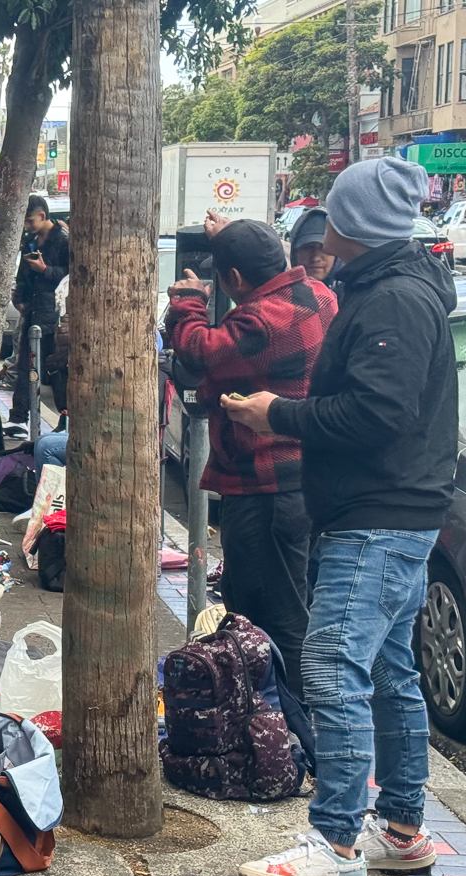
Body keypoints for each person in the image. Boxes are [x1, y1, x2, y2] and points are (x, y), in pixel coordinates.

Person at [228, 158, 456, 876]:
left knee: (333, 667)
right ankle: (400, 827)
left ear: (353, 225)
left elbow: (376, 414)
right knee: (391, 673)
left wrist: (277, 414)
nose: (325, 229)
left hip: (377, 514)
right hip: (391, 509)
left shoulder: (393, 298)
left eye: (334, 215)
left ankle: (334, 842)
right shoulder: (390, 283)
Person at [165, 216, 337, 702]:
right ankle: (264, 720)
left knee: (277, 617)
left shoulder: (260, 321)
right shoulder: (319, 298)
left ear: (235, 279)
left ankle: (295, 733)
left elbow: (198, 351)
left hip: (263, 487)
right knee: (260, 604)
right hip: (302, 480)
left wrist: (188, 300)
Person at [10, 195, 70, 424]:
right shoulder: (30, 241)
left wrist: (45, 269)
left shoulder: (63, 240)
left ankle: (64, 416)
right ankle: (18, 417)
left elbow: (69, 276)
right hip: (33, 310)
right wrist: (20, 298)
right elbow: (22, 275)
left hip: (53, 313)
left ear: (42, 216)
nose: (28, 226)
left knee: (55, 369)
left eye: (30, 221)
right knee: (25, 366)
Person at [288, 207, 339, 285]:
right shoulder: (281, 295)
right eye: (308, 248)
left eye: (323, 248)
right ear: (295, 253)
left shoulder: (353, 293)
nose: (315, 258)